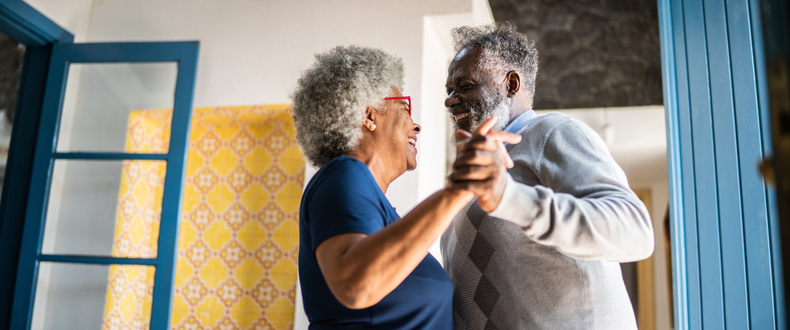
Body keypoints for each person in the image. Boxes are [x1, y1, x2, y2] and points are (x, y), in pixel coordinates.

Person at [441, 23, 655, 329]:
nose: (450, 99)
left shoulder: (550, 132)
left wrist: (508, 197)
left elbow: (634, 231)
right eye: (449, 90)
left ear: (511, 84)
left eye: (465, 86)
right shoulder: (472, 173)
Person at [291, 45, 520, 330]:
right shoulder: (343, 174)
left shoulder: (369, 201)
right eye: (404, 107)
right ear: (369, 116)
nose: (417, 126)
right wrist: (457, 190)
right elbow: (356, 285)